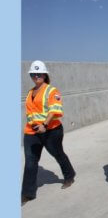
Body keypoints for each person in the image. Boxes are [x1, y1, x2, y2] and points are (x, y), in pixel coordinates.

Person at [22, 60, 76, 206]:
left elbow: (55, 110)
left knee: (57, 154)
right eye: (33, 74)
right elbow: (30, 113)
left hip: (51, 131)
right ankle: (27, 193)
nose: (36, 76)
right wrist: (34, 126)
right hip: (31, 132)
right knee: (30, 162)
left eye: (39, 74)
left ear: (45, 75)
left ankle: (69, 175)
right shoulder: (29, 93)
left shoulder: (52, 91)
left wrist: (44, 125)